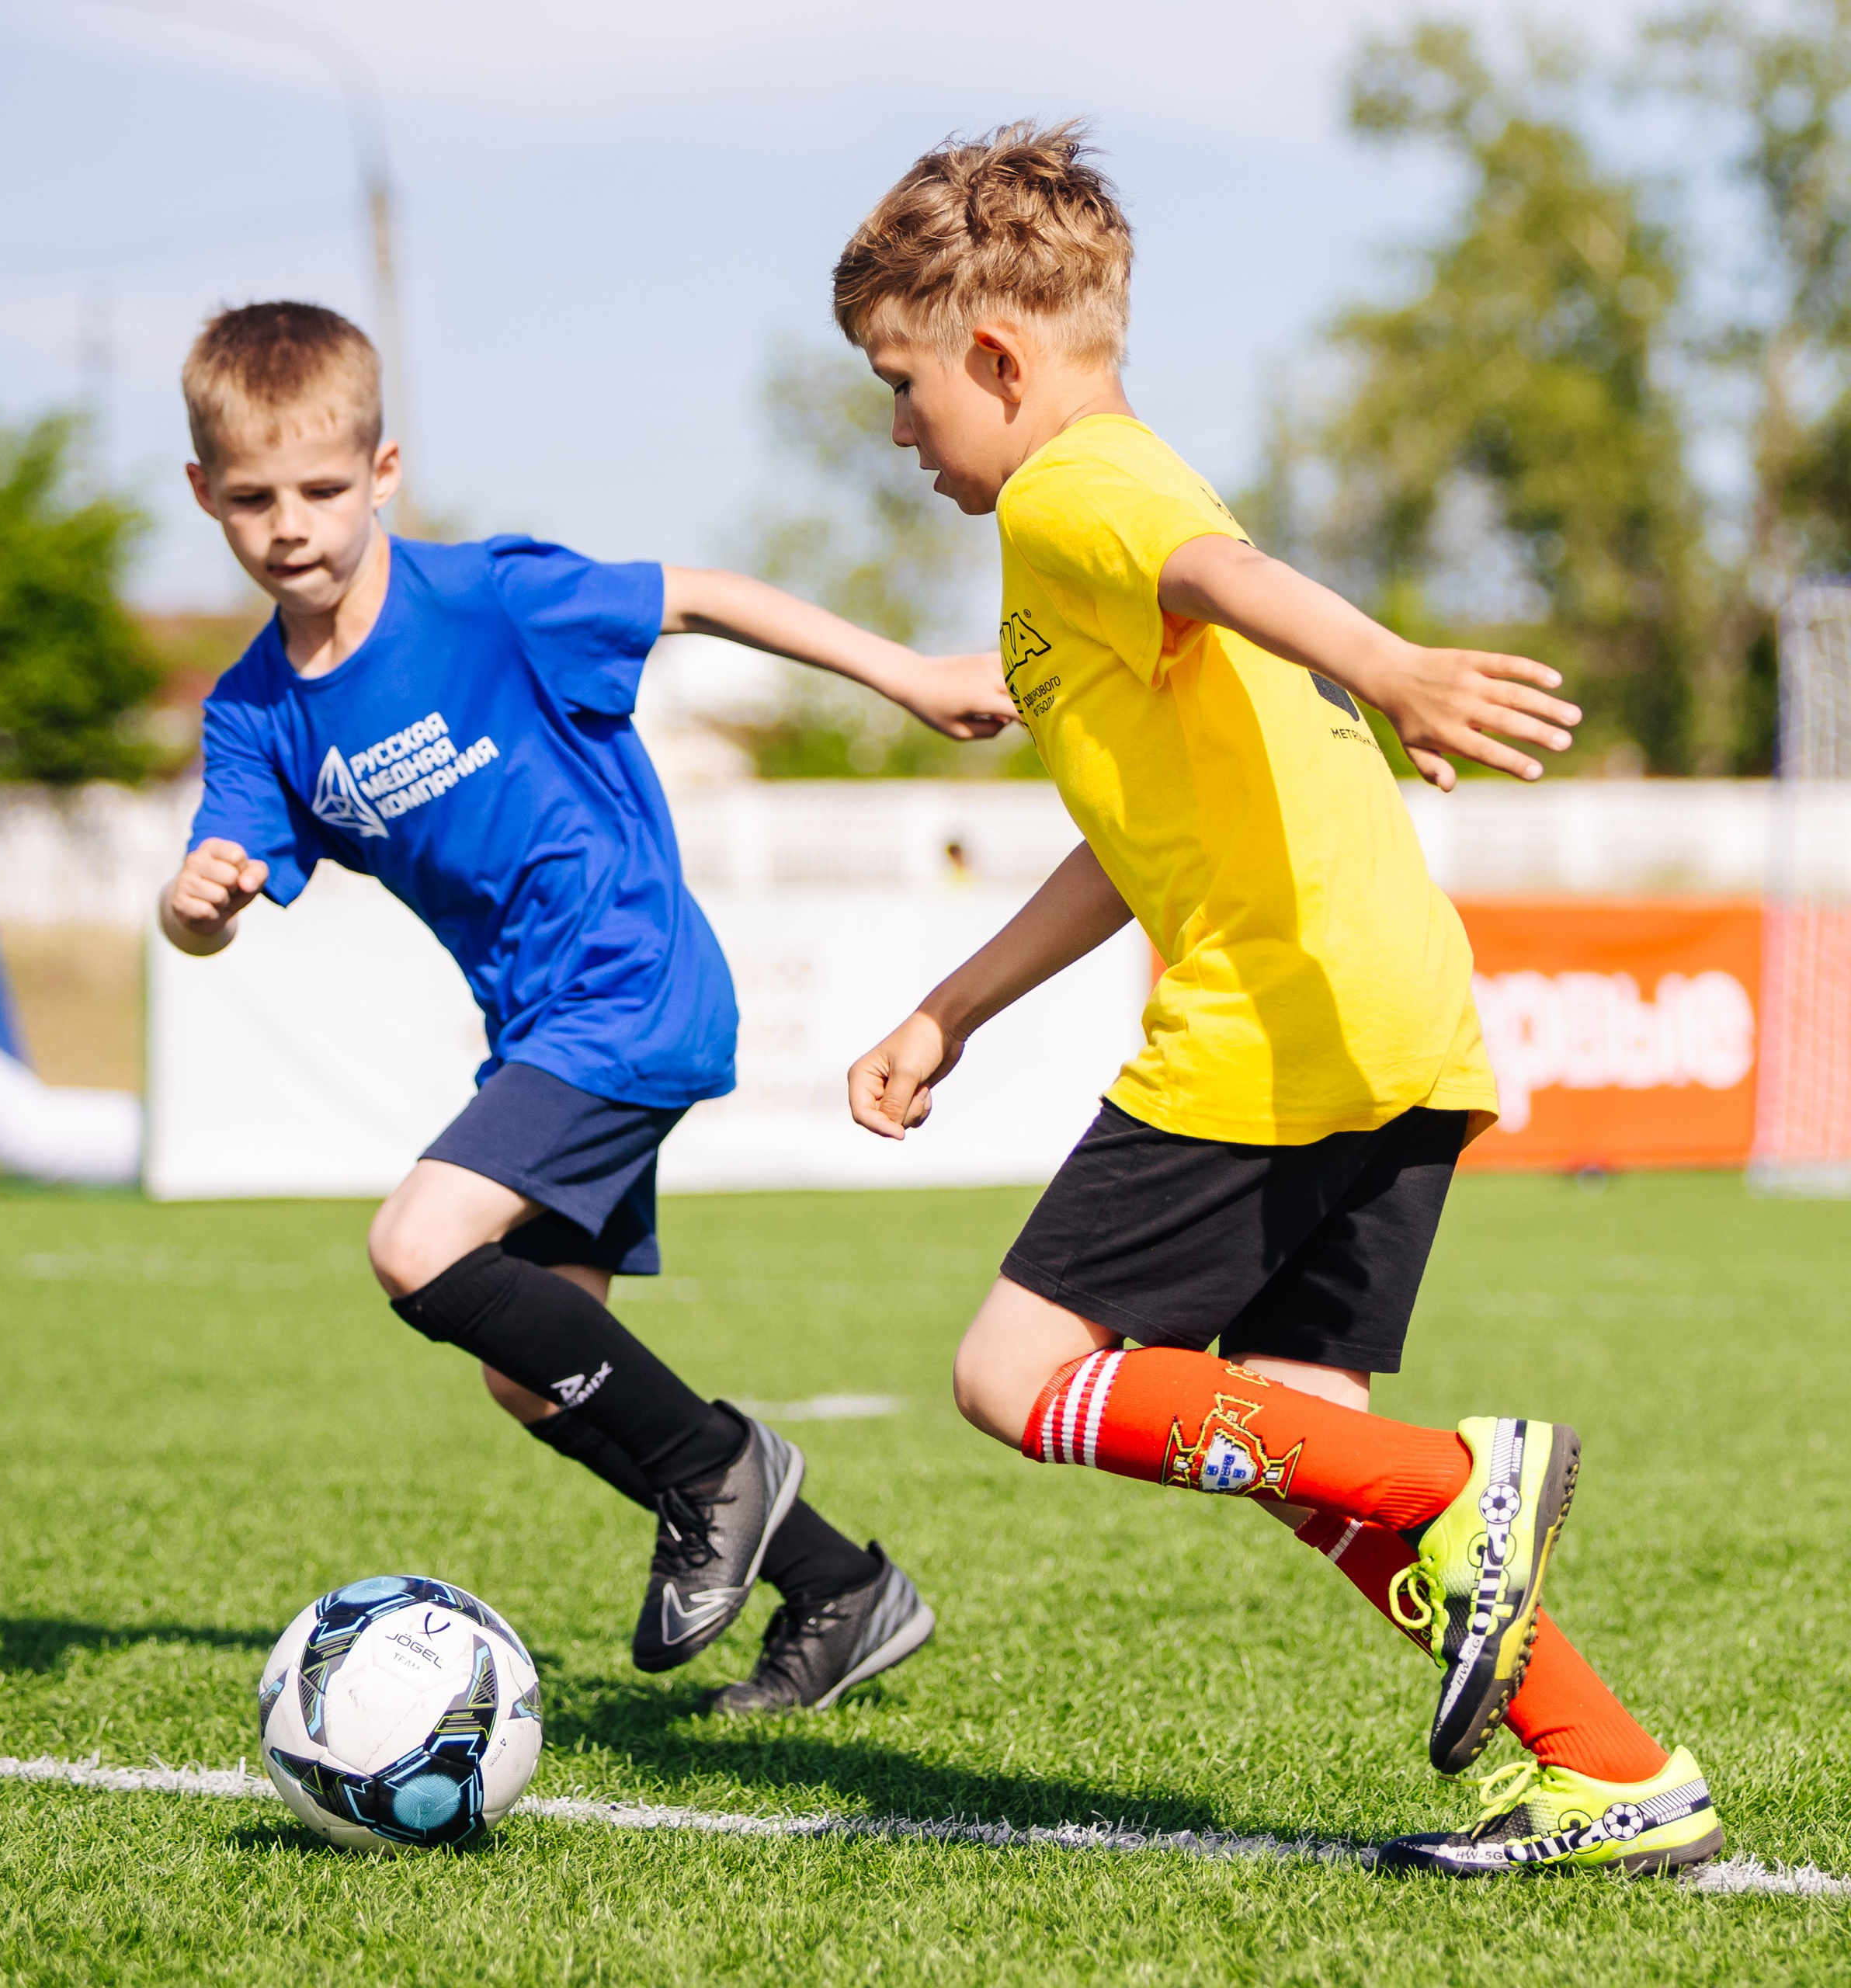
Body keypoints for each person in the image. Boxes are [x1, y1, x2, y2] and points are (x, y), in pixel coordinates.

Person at [836, 125, 1722, 1876]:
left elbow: (1219, 579)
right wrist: (952, 1007)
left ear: (996, 360)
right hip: (1388, 1008)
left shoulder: (1067, 491)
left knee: (1010, 1373)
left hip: (1272, 1022)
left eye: (899, 383)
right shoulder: (1129, 495)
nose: (895, 431)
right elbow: (1120, 842)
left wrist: (1386, 662)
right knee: (1298, 1430)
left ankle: (1455, 1480)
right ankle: (1609, 1766)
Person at [159, 301, 981, 1711]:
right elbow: (210, 901)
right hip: (538, 1034)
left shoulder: (488, 598)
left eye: (319, 488)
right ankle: (841, 1592)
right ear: (203, 497)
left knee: (417, 1244)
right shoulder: (255, 712)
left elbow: (704, 594)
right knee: (530, 1369)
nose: (288, 524)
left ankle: (719, 1473)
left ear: (385, 470)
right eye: (250, 499)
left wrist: (906, 676)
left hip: (633, 988)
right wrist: (195, 909)